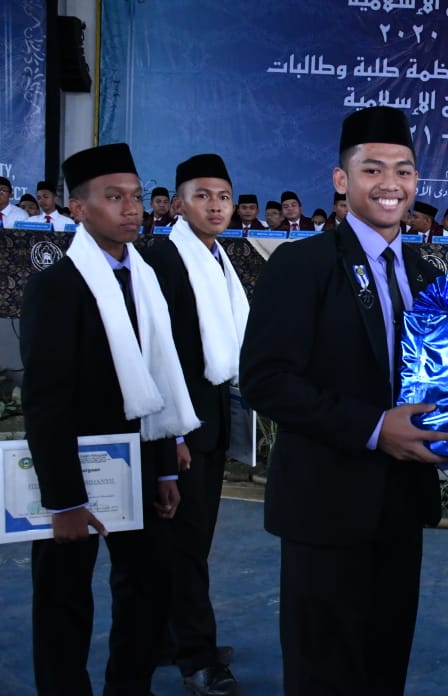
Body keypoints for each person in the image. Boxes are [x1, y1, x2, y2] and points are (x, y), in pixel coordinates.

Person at [239, 106, 448, 695]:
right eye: (372, 169)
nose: (391, 184)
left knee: (385, 667)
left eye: (404, 170)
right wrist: (374, 428)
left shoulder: (426, 273)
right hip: (325, 508)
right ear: (342, 179)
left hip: (402, 507)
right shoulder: (301, 264)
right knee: (324, 674)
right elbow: (265, 379)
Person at [21, 143, 200, 695]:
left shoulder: (146, 280)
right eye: (114, 197)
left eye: (137, 196)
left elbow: (159, 380)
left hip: (140, 463)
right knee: (64, 601)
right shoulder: (57, 286)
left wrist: (165, 468)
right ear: (78, 209)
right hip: (75, 471)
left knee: (145, 591)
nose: (132, 208)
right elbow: (46, 402)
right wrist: (64, 501)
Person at [145, 154, 248, 696]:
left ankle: (168, 637)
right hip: (179, 425)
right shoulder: (165, 258)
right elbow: (159, 353)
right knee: (185, 546)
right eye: (203, 196)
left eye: (223, 197)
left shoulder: (217, 257)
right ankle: (198, 659)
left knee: (193, 540)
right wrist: (176, 435)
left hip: (210, 419)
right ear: (179, 205)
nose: (216, 206)